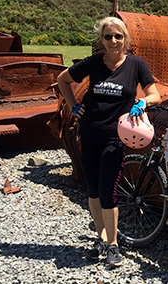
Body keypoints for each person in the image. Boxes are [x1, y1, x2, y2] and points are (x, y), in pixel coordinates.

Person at [57, 16, 161, 269]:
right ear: (101, 40)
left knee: (107, 191)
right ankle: (102, 238)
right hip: (89, 132)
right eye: (108, 37)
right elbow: (63, 80)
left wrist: (143, 102)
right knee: (92, 190)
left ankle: (113, 244)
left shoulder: (136, 64)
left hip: (115, 137)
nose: (113, 41)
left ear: (125, 38)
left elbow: (154, 93)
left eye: (118, 36)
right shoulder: (94, 63)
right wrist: (74, 106)